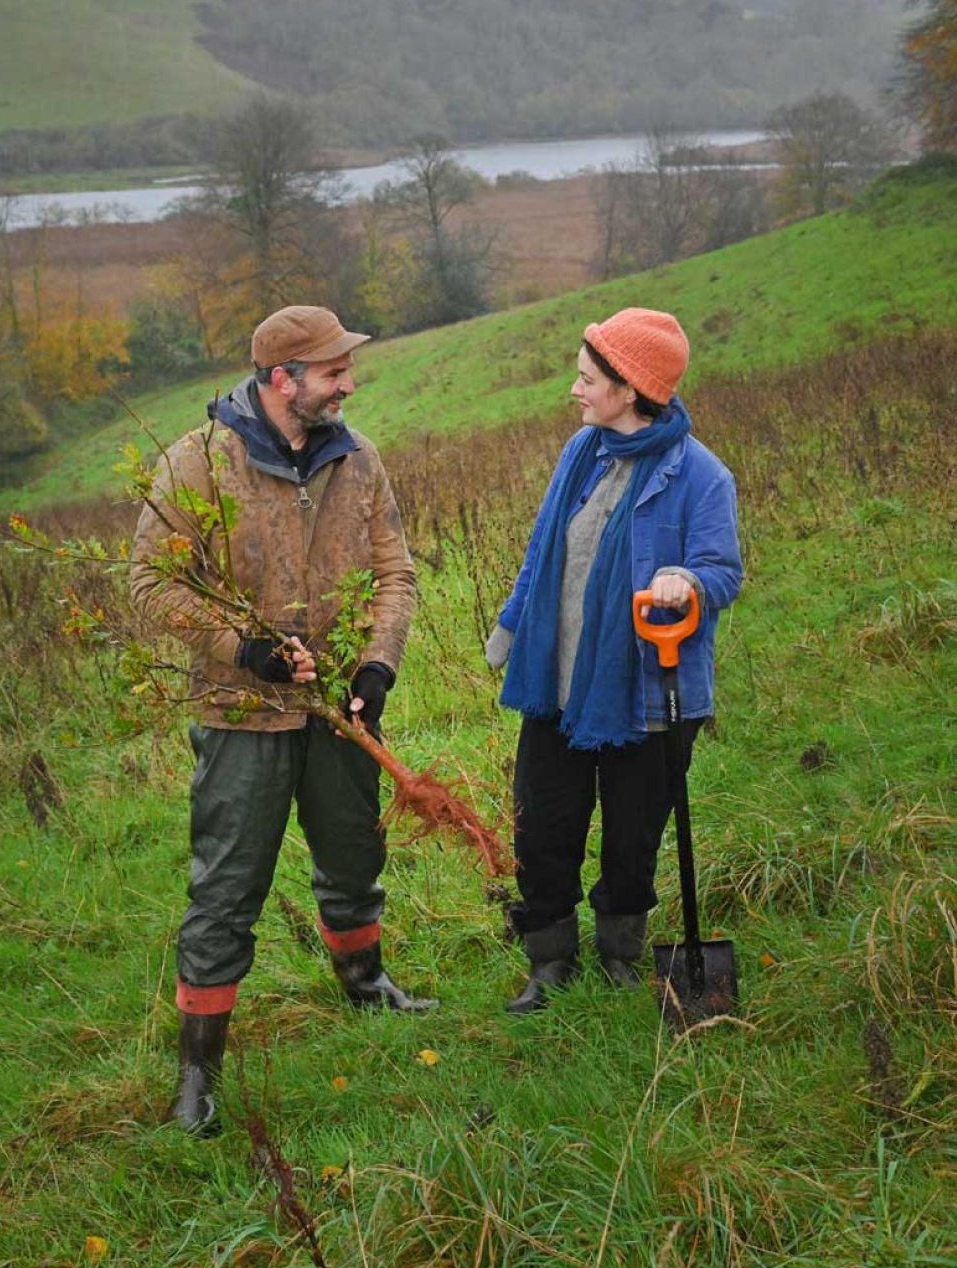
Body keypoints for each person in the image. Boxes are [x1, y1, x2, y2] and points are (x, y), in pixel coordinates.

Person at [130, 304, 431, 1135]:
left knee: (354, 848)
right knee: (226, 888)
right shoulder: (197, 465)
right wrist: (246, 649)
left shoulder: (358, 459)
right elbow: (150, 583)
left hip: (339, 708)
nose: (348, 382)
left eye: (345, 368)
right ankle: (197, 1074)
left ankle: (366, 984)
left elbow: (394, 572)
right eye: (334, 370)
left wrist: (377, 664)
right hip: (240, 713)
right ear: (280, 380)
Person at [485, 307, 742, 1014]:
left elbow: (723, 570)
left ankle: (621, 956)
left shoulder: (700, 476)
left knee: (633, 839)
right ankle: (550, 961)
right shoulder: (583, 452)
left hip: (648, 692)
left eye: (587, 377)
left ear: (630, 389)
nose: (575, 388)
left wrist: (685, 579)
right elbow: (544, 547)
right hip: (559, 687)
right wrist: (511, 625)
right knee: (542, 830)